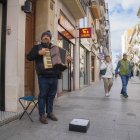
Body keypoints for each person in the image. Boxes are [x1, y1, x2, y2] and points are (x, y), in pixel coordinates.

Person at [27, 30, 67, 124]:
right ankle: (42, 115)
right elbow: (29, 57)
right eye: (44, 36)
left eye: (47, 36)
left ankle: (49, 113)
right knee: (43, 96)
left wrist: (66, 60)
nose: (45, 37)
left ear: (50, 38)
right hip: (43, 77)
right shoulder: (37, 47)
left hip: (54, 76)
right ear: (41, 38)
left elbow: (61, 61)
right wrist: (38, 53)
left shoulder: (55, 48)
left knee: (51, 96)